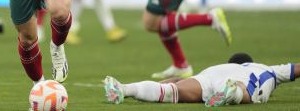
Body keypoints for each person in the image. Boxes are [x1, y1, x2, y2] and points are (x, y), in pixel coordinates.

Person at [103, 53, 299, 107]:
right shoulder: (265, 69)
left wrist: (163, 83)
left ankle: (124, 89)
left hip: (208, 75)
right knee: (244, 89)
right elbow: (295, 69)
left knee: (171, 90)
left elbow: (178, 79)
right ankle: (231, 93)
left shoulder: (220, 66)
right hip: (240, 79)